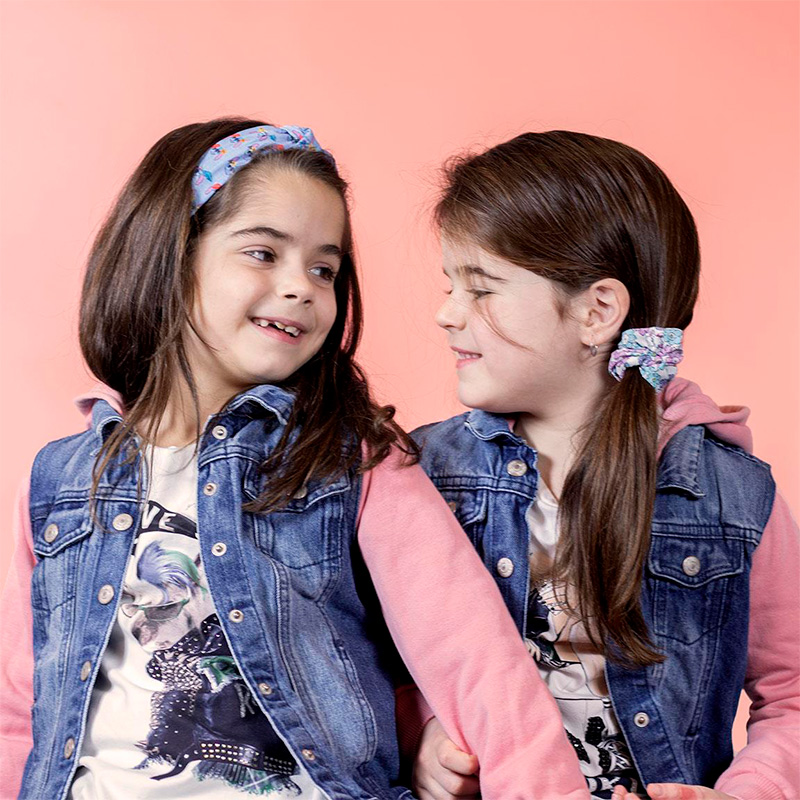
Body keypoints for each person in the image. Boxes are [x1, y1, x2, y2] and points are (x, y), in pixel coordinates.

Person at [0, 119, 591, 800]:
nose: (301, 287)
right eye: (263, 253)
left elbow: (475, 661)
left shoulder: (354, 462)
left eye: (323, 269)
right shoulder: (62, 481)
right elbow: (21, 710)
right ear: (169, 255)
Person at [409, 131, 800, 800]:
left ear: (597, 311)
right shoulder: (425, 475)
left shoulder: (734, 495)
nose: (445, 314)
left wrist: (748, 792)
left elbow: (791, 693)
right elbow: (369, 654)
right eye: (450, 285)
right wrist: (420, 735)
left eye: (481, 288)